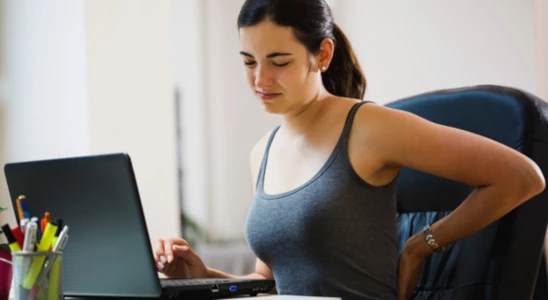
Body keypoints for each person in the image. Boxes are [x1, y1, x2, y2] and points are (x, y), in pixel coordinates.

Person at [153, 0, 546, 299]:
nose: (260, 79)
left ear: (322, 54)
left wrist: (417, 247)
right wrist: (202, 275)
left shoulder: (367, 127)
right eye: (249, 62)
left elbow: (523, 177)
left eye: (279, 61)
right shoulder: (263, 152)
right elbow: (272, 282)